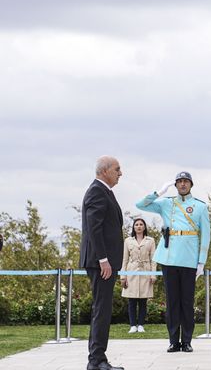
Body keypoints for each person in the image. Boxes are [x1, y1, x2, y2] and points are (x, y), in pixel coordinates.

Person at [136, 171, 210, 353]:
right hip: (169, 258)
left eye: (186, 181)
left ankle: (186, 341)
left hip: (189, 258)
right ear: (175, 185)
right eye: (179, 182)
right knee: (172, 302)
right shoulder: (167, 203)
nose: (183, 185)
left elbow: (206, 236)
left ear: (191, 185)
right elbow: (140, 204)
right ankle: (173, 341)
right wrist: (158, 192)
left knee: (186, 302)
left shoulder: (200, 207)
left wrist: (201, 261)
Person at [79, 156, 124, 370]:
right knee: (102, 309)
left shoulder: (105, 191)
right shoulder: (97, 191)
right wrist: (103, 259)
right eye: (117, 169)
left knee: (103, 309)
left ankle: (98, 359)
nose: (120, 173)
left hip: (105, 262)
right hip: (101, 263)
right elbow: (94, 228)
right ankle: (96, 361)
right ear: (104, 170)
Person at [121, 218, 157, 334]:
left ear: (144, 227)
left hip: (145, 271)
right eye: (136, 224)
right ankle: (132, 325)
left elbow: (153, 259)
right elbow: (124, 259)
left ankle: (141, 324)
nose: (139, 226)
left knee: (143, 300)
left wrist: (153, 274)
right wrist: (123, 276)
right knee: (131, 300)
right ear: (134, 227)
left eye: (141, 224)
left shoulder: (150, 241)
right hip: (131, 271)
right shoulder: (128, 241)